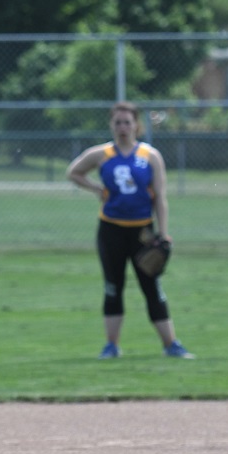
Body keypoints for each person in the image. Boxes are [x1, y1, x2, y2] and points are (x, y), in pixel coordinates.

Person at [66, 101, 194, 359]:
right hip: (111, 231)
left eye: (127, 122)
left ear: (137, 124)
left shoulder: (150, 156)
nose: (123, 126)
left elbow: (160, 196)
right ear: (111, 125)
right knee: (113, 286)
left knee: (152, 286)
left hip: (142, 232)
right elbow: (74, 172)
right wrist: (97, 189)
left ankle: (171, 344)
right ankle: (111, 346)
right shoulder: (102, 154)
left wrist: (163, 232)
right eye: (118, 122)